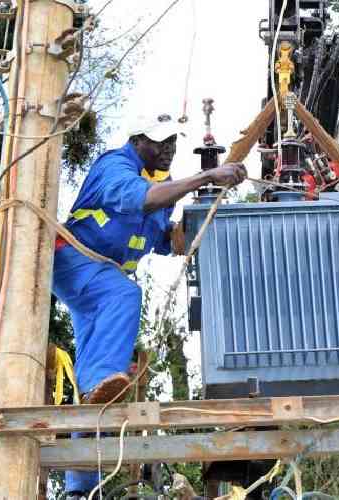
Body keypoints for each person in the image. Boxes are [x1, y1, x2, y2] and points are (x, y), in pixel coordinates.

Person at [52, 112, 247, 498]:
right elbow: (140, 200)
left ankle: (80, 486)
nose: (169, 150)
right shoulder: (116, 166)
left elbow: (163, 239)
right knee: (124, 299)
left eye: (174, 142)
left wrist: (202, 220)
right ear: (137, 139)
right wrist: (207, 177)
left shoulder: (163, 186)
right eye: (160, 142)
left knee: (100, 383)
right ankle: (99, 385)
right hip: (77, 261)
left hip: (98, 282)